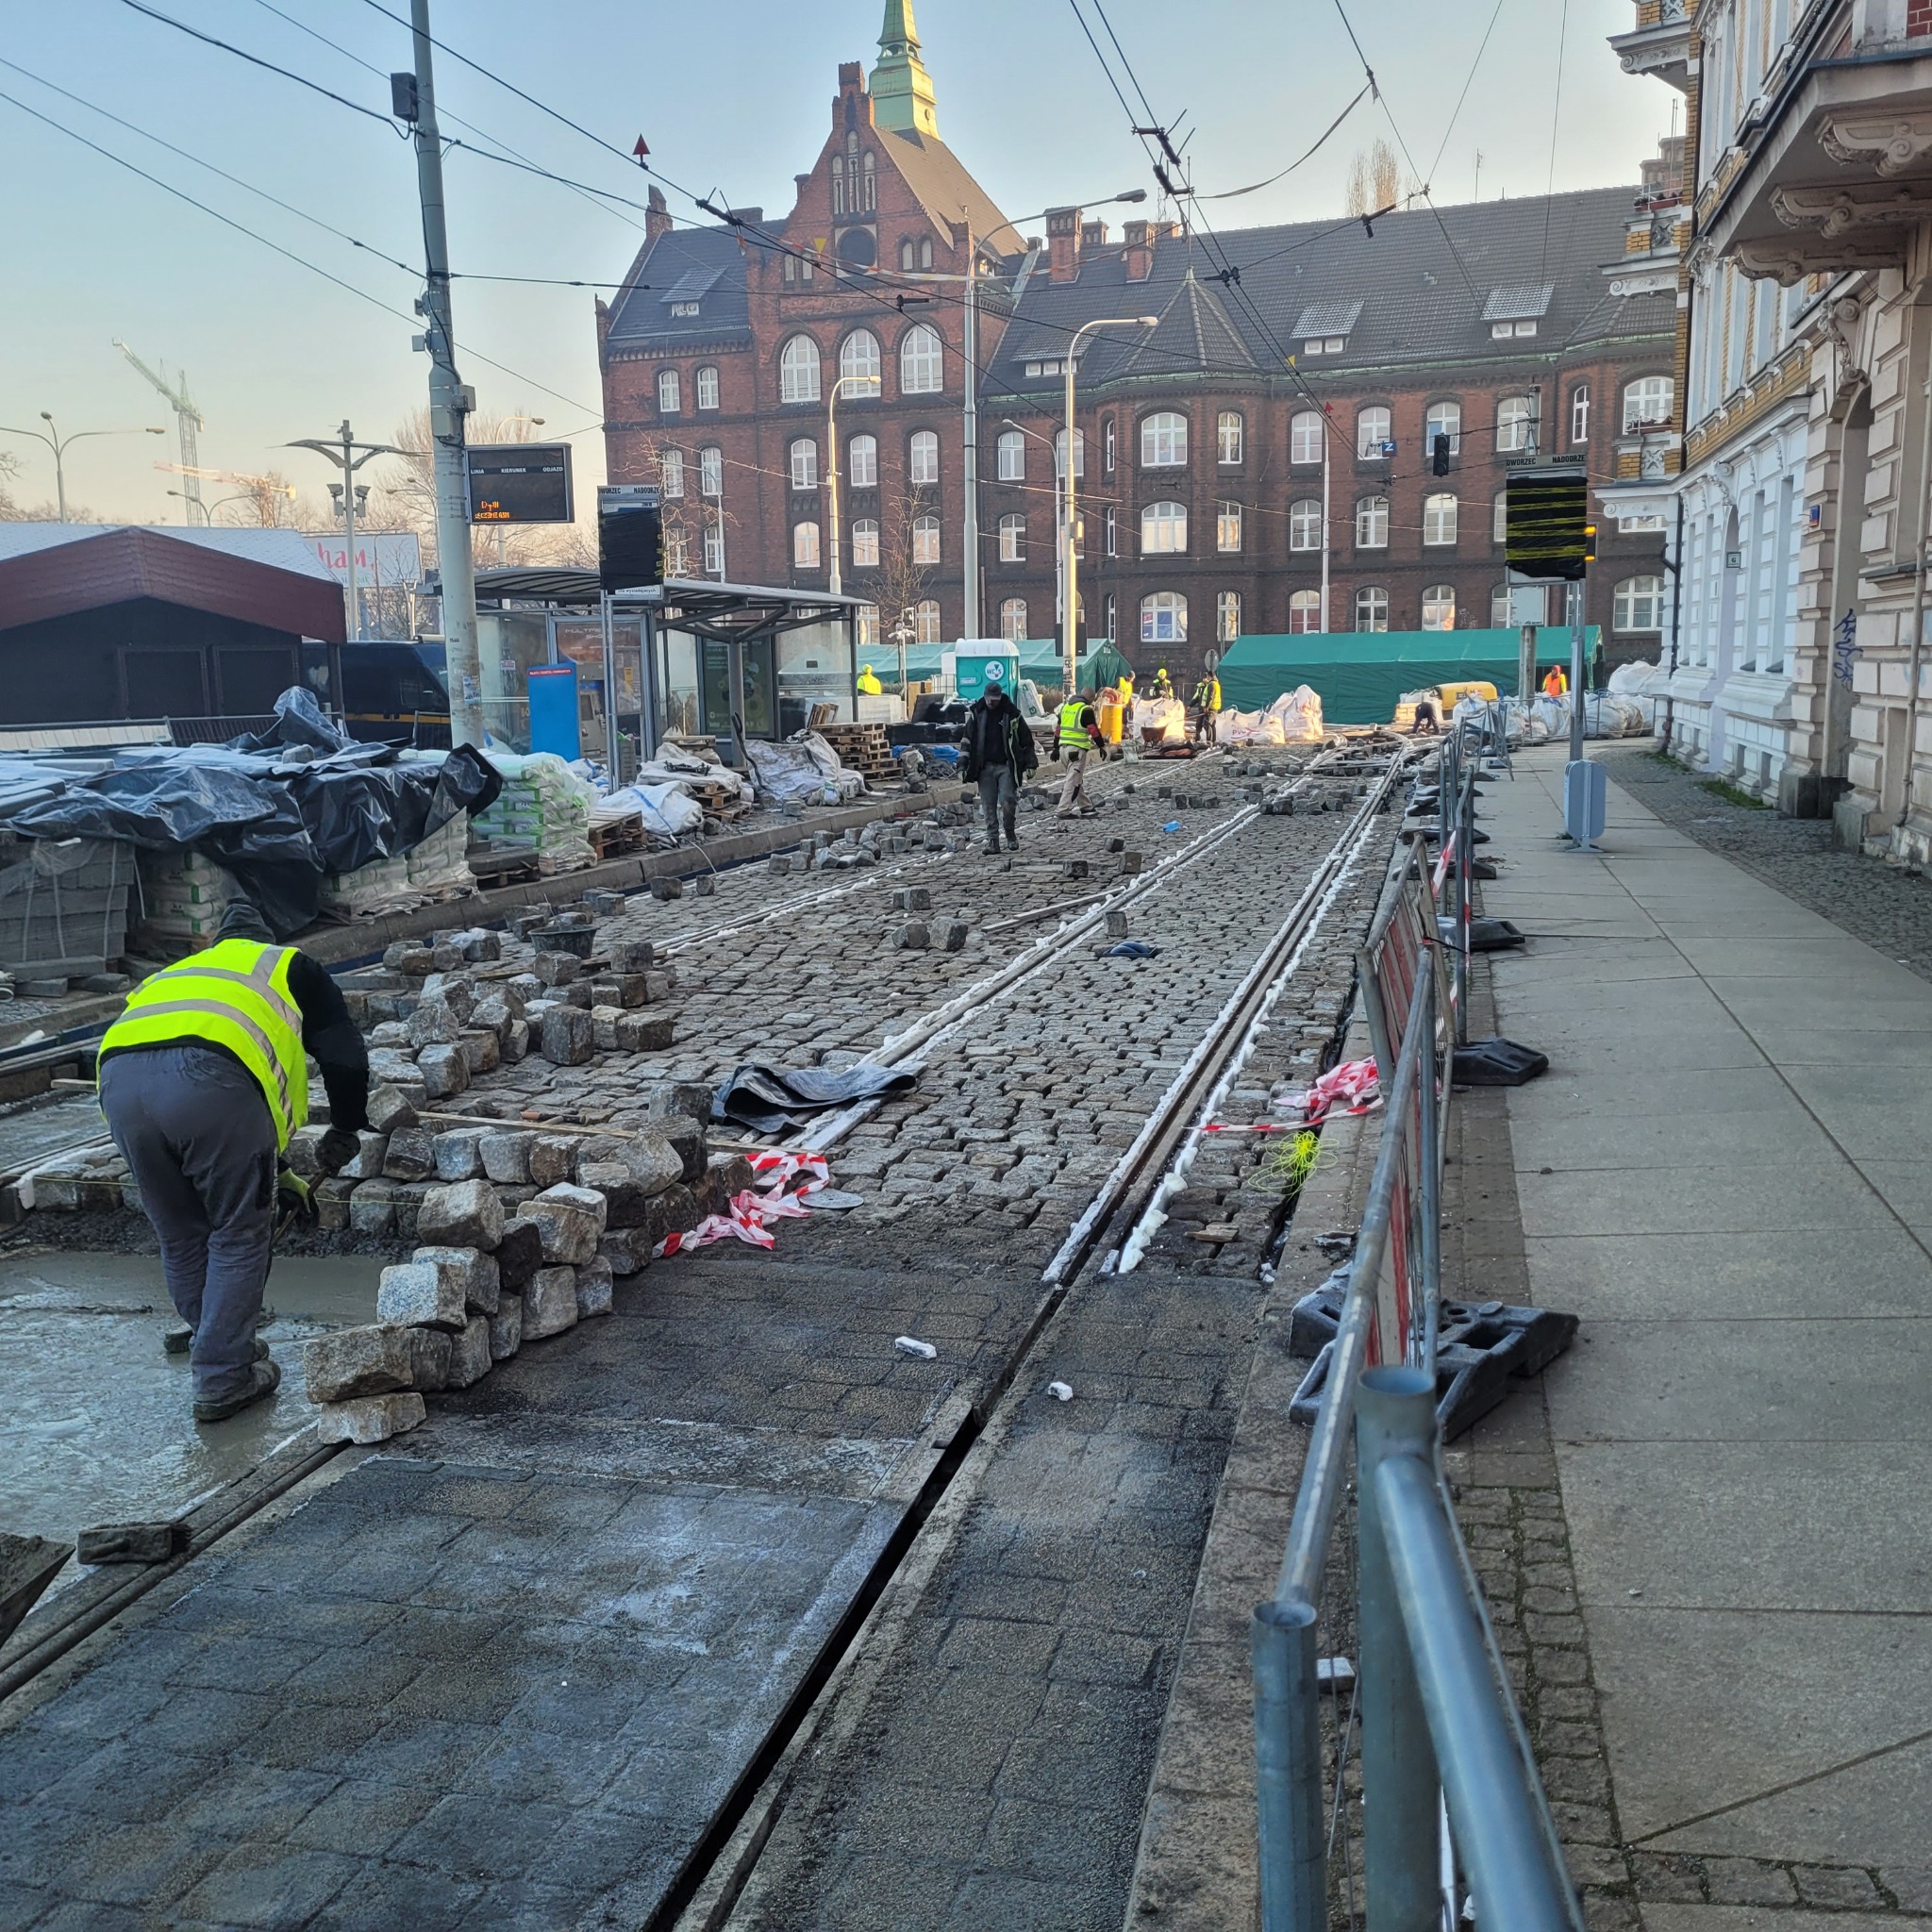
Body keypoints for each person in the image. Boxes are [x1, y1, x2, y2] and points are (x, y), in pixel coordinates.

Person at [97, 901, 370, 1423]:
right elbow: (344, 1053)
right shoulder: (288, 965)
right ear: (267, 939)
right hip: (209, 1079)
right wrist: (345, 1126)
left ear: (217, 944)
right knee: (238, 1233)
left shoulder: (177, 974)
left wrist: (280, 1174)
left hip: (120, 1085)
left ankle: (219, 1343)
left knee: (180, 1232)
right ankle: (223, 1377)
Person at [960, 679, 1038, 854]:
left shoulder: (1012, 714)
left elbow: (1026, 740)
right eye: (988, 699)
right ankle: (993, 841)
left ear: (1000, 697)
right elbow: (966, 741)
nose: (990, 702)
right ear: (985, 696)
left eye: (994, 700)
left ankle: (1010, 832)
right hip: (984, 767)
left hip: (1006, 766)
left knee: (1008, 800)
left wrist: (1031, 763)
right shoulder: (977, 713)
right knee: (988, 805)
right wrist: (962, 766)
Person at [1055, 691, 1104, 817]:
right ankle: (1062, 810)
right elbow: (1093, 730)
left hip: (1063, 749)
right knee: (1072, 781)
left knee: (1076, 778)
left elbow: (1058, 728)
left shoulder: (1065, 707)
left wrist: (1055, 748)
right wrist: (1101, 745)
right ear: (1091, 698)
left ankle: (1086, 806)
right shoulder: (1086, 709)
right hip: (1076, 751)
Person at [1191, 669, 1222, 745]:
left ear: (1210, 677)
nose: (1206, 678)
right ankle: (1212, 740)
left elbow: (1210, 697)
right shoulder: (1215, 684)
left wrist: (1207, 706)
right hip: (1214, 707)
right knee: (1211, 724)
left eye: (1207, 677)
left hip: (1211, 708)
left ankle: (1209, 741)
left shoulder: (1211, 684)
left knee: (1206, 723)